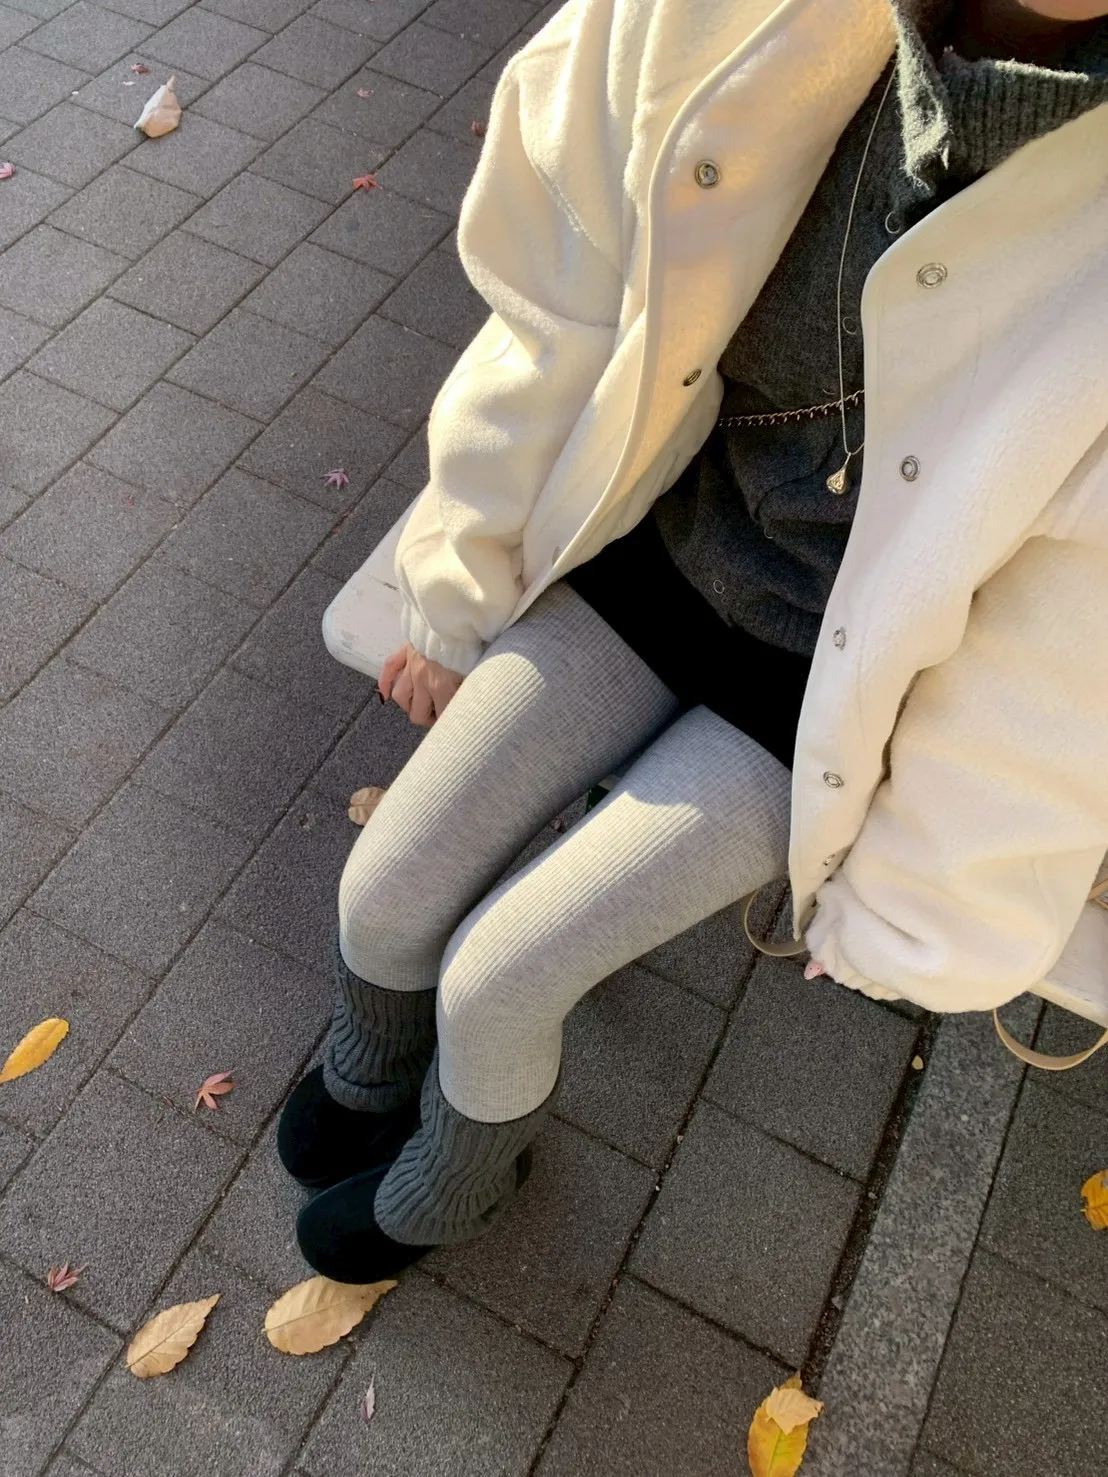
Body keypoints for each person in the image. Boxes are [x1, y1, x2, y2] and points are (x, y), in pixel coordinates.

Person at [278, 0, 1108, 1283]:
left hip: (832, 684)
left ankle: (466, 1179)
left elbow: (1068, 642)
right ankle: (371, 1061)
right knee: (381, 896)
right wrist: (462, 566)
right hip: (661, 538)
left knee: (500, 981)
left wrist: (915, 904)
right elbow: (559, 286)